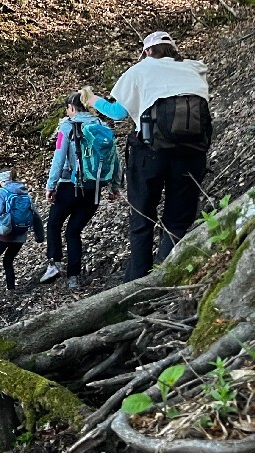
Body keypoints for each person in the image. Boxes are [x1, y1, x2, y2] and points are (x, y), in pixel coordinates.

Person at [80, 30, 211, 280]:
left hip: (150, 153)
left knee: (142, 218)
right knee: (177, 220)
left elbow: (118, 113)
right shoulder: (194, 68)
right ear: (173, 49)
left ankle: (138, 279)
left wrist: (93, 100)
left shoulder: (140, 70)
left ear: (148, 51)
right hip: (191, 153)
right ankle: (168, 273)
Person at [40, 94, 121, 289]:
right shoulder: (103, 126)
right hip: (94, 188)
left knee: (54, 224)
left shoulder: (67, 127)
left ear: (71, 107)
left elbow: (58, 158)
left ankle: (54, 263)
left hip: (70, 186)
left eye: (67, 108)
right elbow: (114, 157)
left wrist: (51, 186)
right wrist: (114, 185)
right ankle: (73, 278)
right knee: (74, 232)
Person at [0, 170, 45, 303]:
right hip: (21, 234)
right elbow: (35, 214)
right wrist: (39, 235)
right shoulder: (24, 193)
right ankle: (11, 290)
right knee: (8, 261)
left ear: (2, 181)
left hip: (5, 233)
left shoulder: (2, 193)